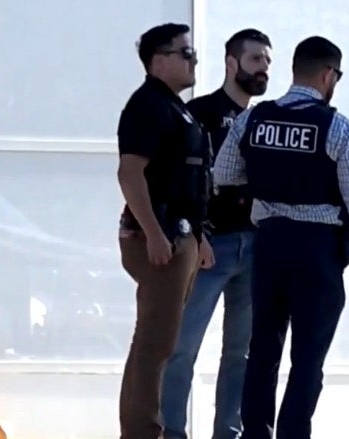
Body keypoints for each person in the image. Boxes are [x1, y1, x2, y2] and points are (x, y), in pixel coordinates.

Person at [213, 35, 349, 439]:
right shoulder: (335, 126)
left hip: (268, 244)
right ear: (328, 75)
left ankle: (255, 432)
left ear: (293, 70)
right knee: (308, 358)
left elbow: (224, 174)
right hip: (318, 250)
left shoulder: (253, 119)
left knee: (262, 351)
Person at [159, 28, 272, 439]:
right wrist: (197, 235)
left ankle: (230, 431)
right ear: (231, 62)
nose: (264, 69)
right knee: (182, 347)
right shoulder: (201, 113)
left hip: (255, 246)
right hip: (211, 246)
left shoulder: (266, 118)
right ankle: (171, 430)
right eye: (256, 59)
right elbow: (182, 181)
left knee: (240, 353)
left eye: (268, 62)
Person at [115, 23, 214, 439]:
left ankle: (142, 429)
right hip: (160, 237)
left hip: (181, 234)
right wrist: (153, 233)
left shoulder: (175, 106)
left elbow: (183, 178)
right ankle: (143, 432)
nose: (193, 61)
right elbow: (130, 172)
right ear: (158, 60)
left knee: (156, 342)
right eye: (185, 54)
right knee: (155, 345)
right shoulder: (147, 105)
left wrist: (200, 237)